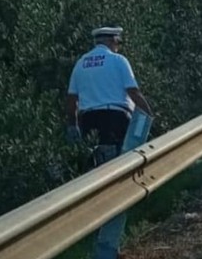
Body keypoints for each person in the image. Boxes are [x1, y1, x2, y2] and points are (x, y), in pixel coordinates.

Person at [66, 26, 154, 165]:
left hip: (88, 121)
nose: (118, 47)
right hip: (115, 119)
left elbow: (72, 102)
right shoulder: (118, 60)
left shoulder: (80, 63)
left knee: (94, 165)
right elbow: (133, 92)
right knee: (119, 164)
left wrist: (73, 127)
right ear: (112, 41)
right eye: (118, 43)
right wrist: (149, 116)